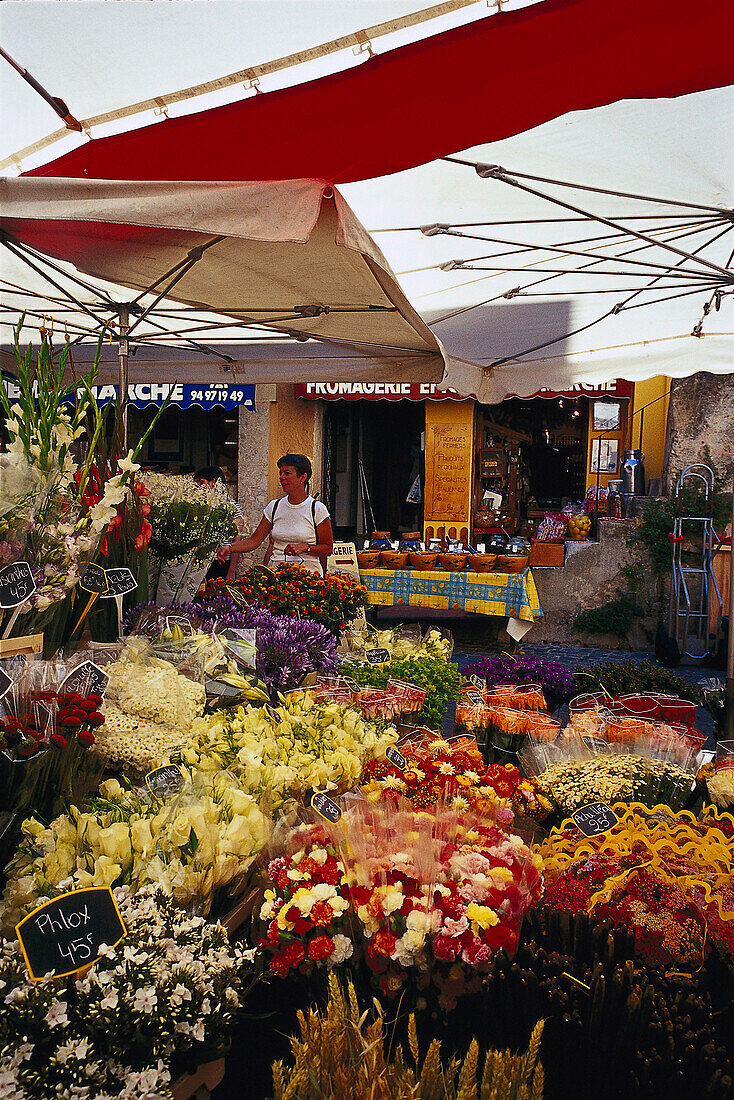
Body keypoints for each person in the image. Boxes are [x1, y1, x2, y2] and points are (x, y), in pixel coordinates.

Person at [217, 453, 333, 577]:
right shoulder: (274, 507)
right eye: (280, 473)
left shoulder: (317, 509)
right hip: (276, 576)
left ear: (303, 477)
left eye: (287, 473)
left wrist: (306, 547)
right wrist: (229, 547)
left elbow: (327, 548)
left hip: (307, 577)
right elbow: (254, 540)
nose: (282, 477)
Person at [195, 465, 244, 583]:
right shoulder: (199, 506)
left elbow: (237, 540)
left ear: (213, 482)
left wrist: (231, 570)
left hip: (222, 562)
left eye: (201, 482)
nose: (198, 487)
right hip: (200, 563)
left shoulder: (232, 506)